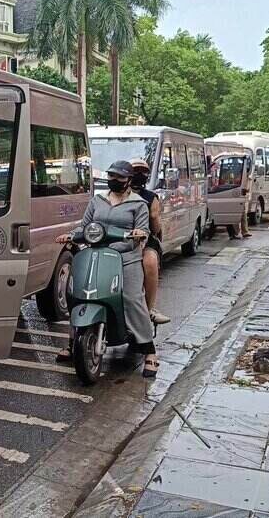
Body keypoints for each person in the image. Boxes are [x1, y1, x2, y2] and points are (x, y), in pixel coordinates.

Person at [57, 161, 159, 378]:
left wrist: (137, 234)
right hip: (96, 252)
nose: (115, 181)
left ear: (129, 180)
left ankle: (149, 351)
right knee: (77, 293)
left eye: (120, 178)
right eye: (112, 176)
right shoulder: (98, 200)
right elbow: (85, 226)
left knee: (131, 297)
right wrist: (71, 235)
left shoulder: (138, 203)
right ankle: (72, 341)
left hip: (126, 256)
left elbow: (143, 230)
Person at [129, 159, 171, 325]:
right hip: (120, 239)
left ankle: (149, 308)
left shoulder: (150, 197)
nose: (139, 175)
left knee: (150, 262)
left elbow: (155, 222)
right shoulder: (114, 196)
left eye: (142, 171)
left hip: (144, 240)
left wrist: (152, 228)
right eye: (135, 171)